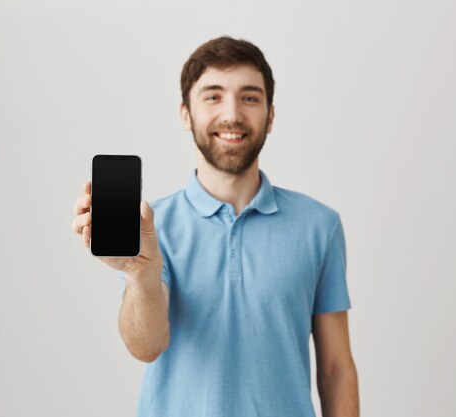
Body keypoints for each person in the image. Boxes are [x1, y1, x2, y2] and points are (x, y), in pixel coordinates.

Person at [72, 35, 359, 417]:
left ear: (270, 115)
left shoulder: (319, 226)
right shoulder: (151, 228)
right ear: (186, 114)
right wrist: (142, 272)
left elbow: (336, 368)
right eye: (212, 96)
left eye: (250, 97)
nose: (232, 113)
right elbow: (146, 346)